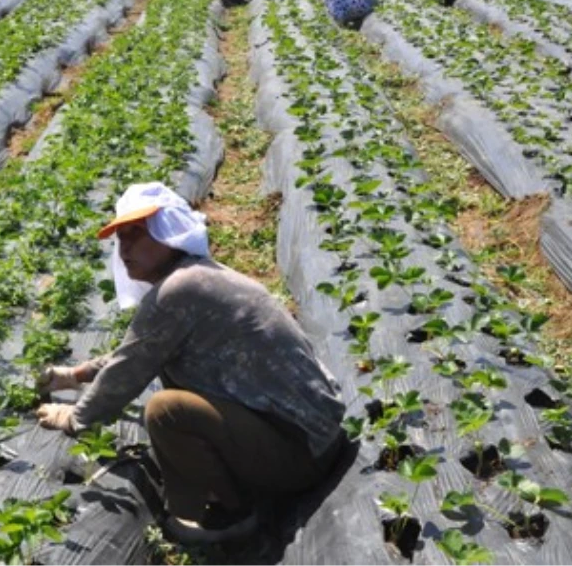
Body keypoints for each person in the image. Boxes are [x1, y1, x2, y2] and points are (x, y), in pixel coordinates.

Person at [35, 182, 346, 544]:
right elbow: (138, 351)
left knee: (167, 411)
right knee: (175, 391)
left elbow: (130, 368)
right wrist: (74, 376)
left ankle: (234, 515)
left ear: (167, 233)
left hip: (302, 454)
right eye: (120, 239)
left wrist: (75, 418)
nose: (125, 249)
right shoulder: (196, 277)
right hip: (314, 436)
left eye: (137, 235)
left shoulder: (179, 290)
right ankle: (227, 489)